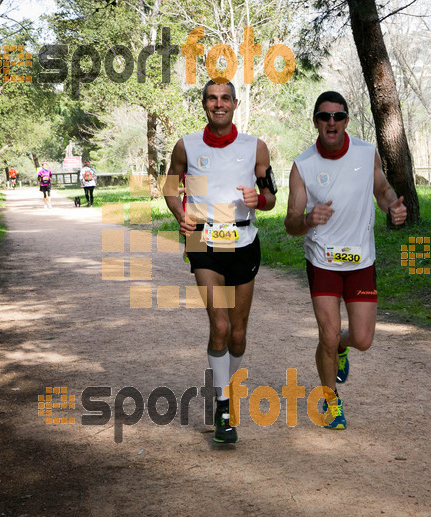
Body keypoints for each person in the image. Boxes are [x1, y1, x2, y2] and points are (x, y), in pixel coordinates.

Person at [284, 91, 407, 430]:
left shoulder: (367, 154)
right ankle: (331, 400)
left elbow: (382, 191)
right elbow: (291, 221)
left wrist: (393, 207)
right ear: (316, 122)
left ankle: (342, 346)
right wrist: (308, 219)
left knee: (363, 339)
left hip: (360, 261)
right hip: (322, 261)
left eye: (338, 116)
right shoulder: (303, 165)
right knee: (327, 333)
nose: (332, 122)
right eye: (325, 117)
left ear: (347, 120)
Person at [164, 80, 277, 444]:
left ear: (235, 103)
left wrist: (259, 200)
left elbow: (271, 197)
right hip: (202, 237)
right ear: (203, 104)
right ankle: (223, 407)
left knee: (239, 334)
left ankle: (227, 386)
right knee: (221, 325)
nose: (218, 104)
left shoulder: (255, 147)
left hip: (243, 238)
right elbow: (169, 186)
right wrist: (179, 213)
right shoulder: (186, 145)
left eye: (225, 98)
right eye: (212, 98)